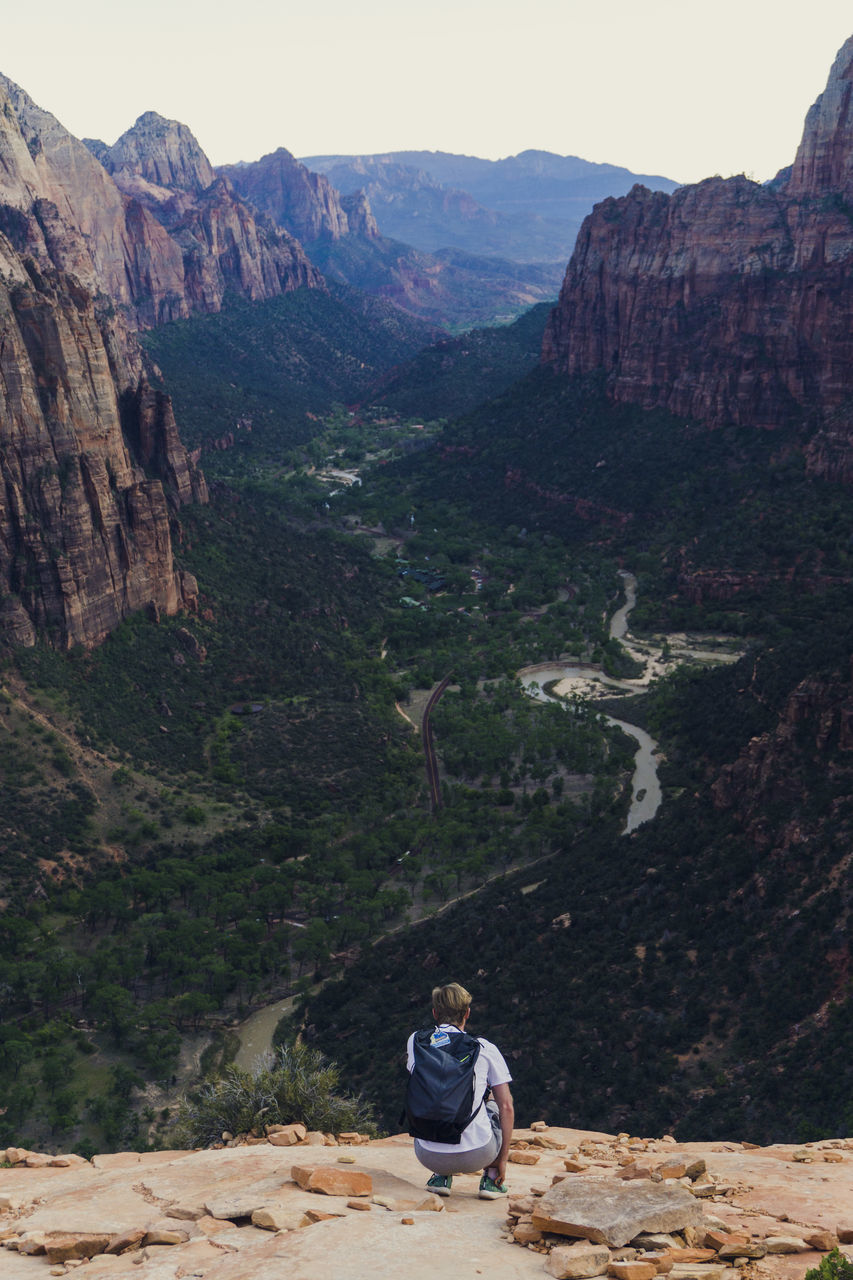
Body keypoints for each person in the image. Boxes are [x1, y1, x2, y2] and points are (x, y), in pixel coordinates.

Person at [406, 981, 514, 1199]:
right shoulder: (484, 1048)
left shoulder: (416, 1041)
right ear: (467, 1013)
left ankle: (440, 1176)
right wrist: (502, 1160)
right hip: (478, 1153)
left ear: (435, 1013)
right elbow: (507, 1108)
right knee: (493, 1099)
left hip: (427, 1155)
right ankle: (492, 1179)